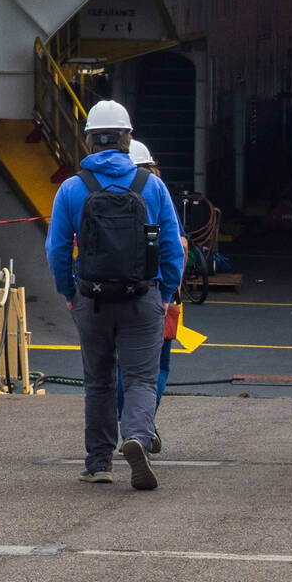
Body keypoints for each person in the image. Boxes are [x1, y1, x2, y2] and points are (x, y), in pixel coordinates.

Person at [45, 99, 183, 491]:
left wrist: (69, 292)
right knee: (140, 377)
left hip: (92, 298)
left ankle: (98, 462)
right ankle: (137, 437)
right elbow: (171, 245)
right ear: (127, 138)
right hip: (143, 297)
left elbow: (56, 249)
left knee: (99, 381)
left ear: (89, 140)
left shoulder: (73, 189)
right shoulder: (150, 185)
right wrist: (165, 292)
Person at [115, 139, 177, 454]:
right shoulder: (156, 191)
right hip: (152, 293)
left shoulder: (96, 190)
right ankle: (140, 428)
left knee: (118, 367)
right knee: (156, 368)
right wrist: (168, 292)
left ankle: (127, 426)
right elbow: (174, 247)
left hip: (105, 292)